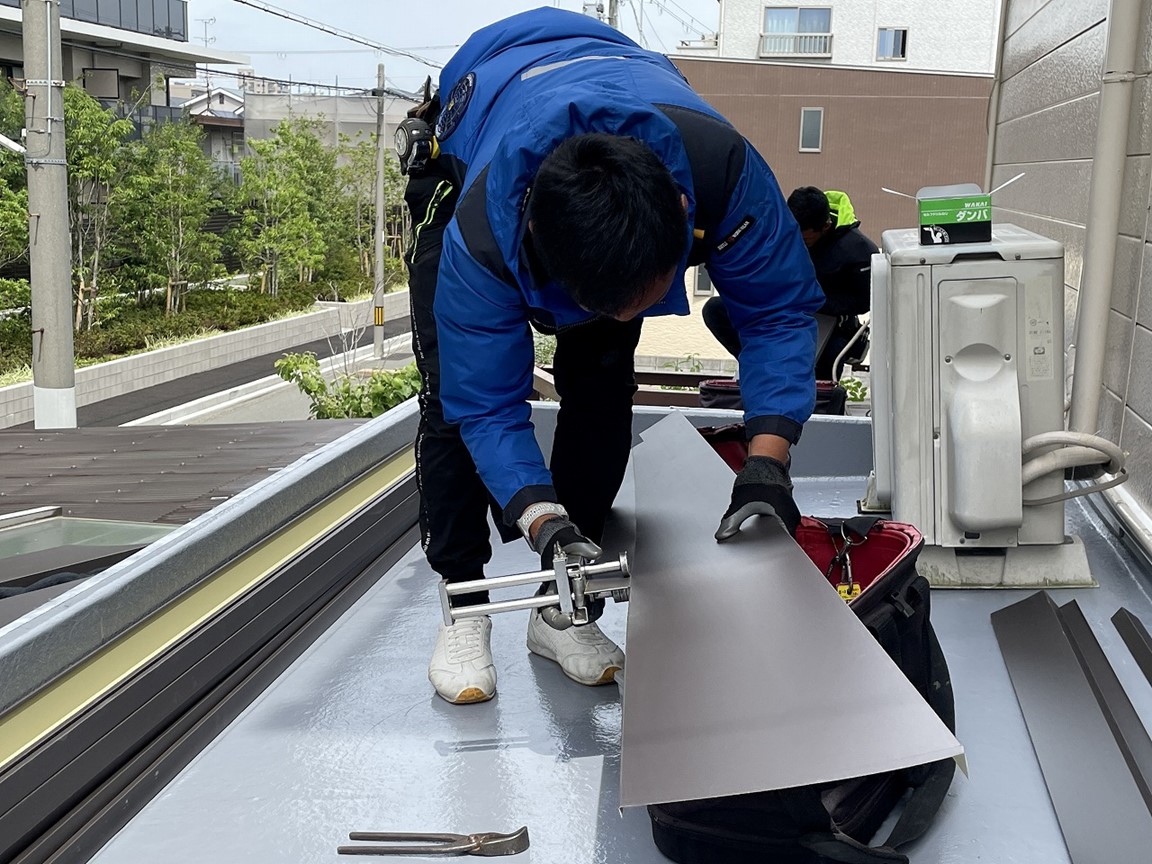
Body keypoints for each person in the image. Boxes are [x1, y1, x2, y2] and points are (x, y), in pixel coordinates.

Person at [399, 7, 823, 706]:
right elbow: (486, 404)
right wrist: (541, 518)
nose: (622, 320)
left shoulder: (722, 171)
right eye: (603, 306)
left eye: (641, 301)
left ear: (683, 213)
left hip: (623, 111)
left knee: (600, 385)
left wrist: (768, 462)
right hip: (480, 130)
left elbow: (777, 311)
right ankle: (464, 606)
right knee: (450, 401)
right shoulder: (483, 234)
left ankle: (561, 609)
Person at [702, 186, 878, 380]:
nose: (798, 242)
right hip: (778, 307)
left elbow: (863, 301)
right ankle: (758, 362)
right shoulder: (779, 228)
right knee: (715, 310)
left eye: (804, 239)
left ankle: (818, 400)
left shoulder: (859, 251)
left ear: (825, 226)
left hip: (829, 320)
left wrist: (811, 301)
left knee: (824, 359)